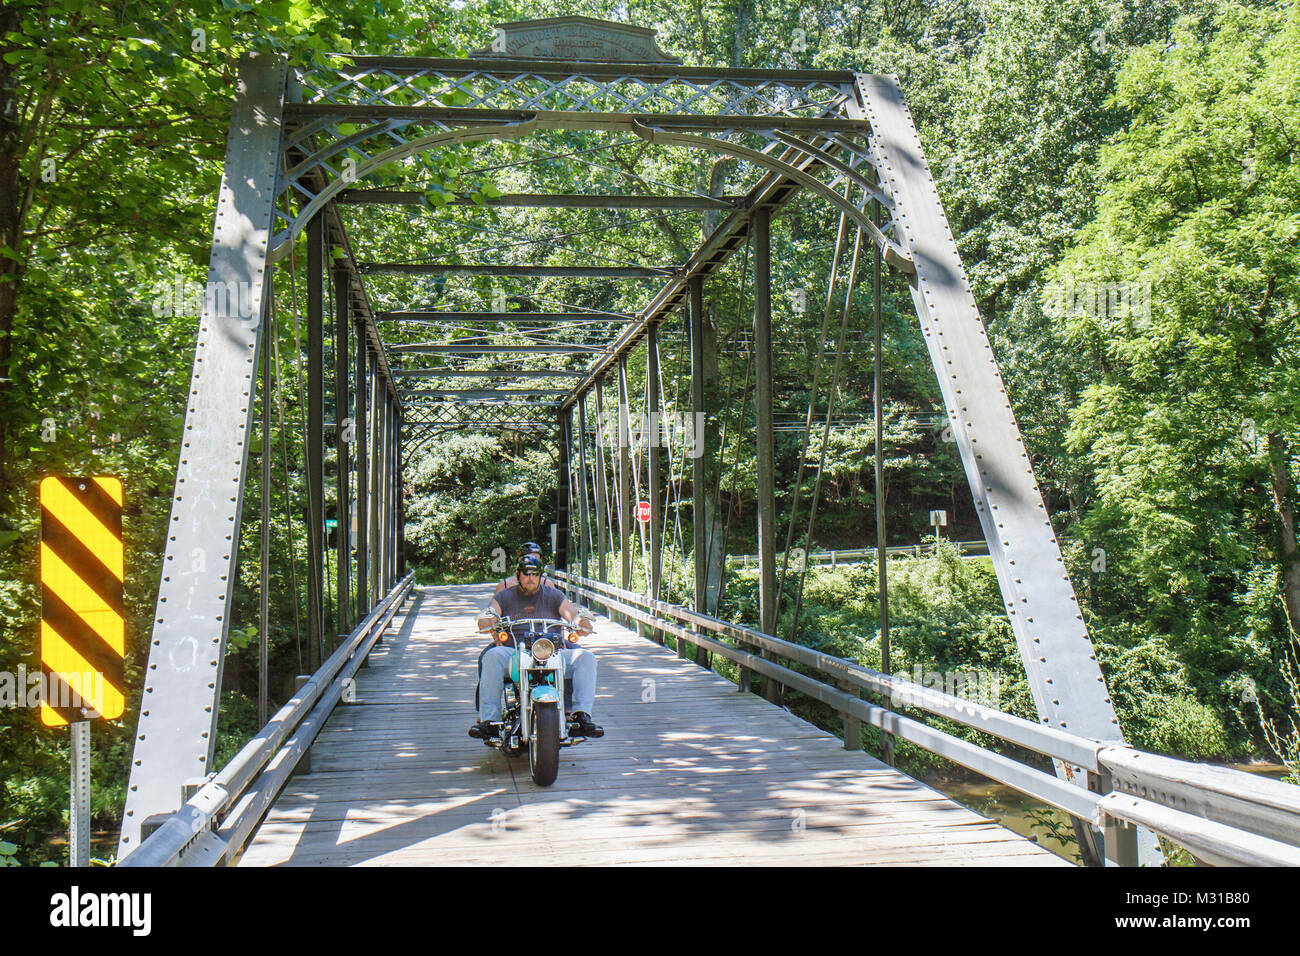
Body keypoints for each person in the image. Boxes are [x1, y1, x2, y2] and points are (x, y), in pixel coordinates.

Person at [472, 553, 603, 740]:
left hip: (553, 653)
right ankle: (490, 722)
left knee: (586, 657)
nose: (530, 578)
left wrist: (582, 623)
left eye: (535, 573)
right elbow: (491, 614)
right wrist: (487, 621)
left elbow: (572, 614)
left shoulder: (553, 595)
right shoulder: (504, 597)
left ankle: (582, 716)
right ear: (518, 575)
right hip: (515, 652)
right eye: (526, 573)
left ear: (541, 576)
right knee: (491, 656)